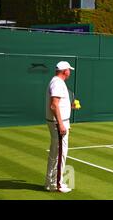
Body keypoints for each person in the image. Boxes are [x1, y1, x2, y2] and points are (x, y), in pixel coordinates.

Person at [45, 61, 80, 193]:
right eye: (69, 70)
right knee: (60, 154)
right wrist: (60, 124)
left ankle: (50, 183)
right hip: (58, 123)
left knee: (55, 153)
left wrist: (69, 107)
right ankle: (58, 184)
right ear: (65, 71)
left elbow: (57, 104)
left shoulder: (56, 82)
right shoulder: (57, 83)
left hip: (57, 121)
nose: (70, 72)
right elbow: (54, 105)